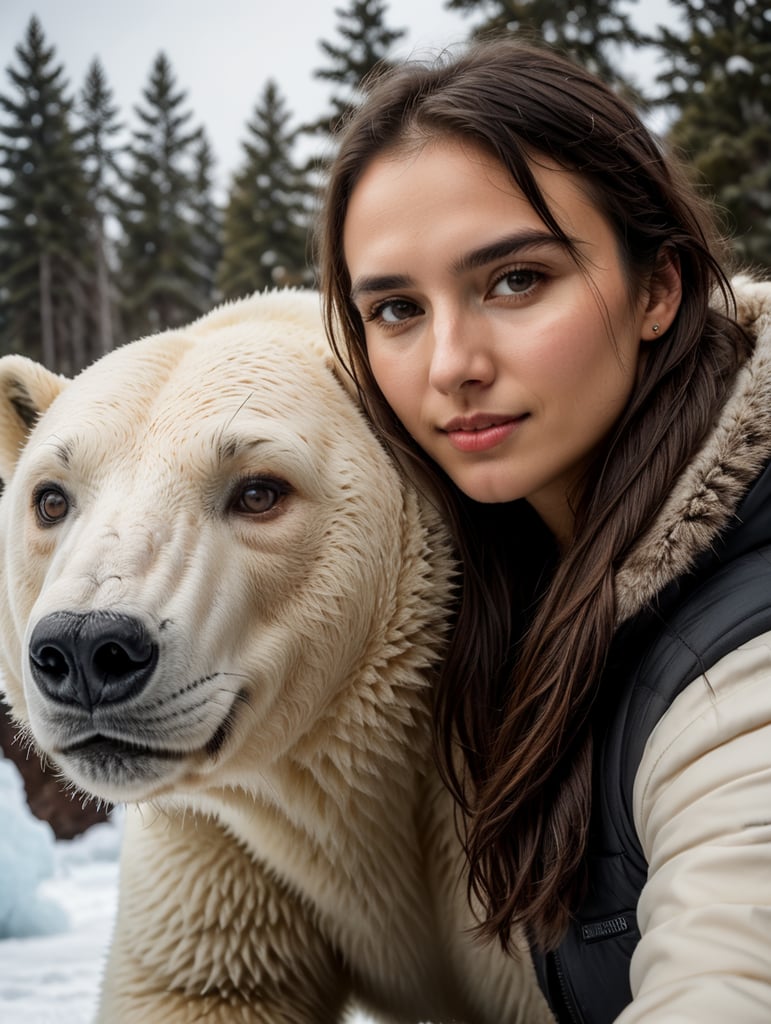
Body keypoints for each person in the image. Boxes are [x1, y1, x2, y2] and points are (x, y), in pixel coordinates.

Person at [314, 38, 771, 1024]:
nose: (451, 364)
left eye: (516, 280)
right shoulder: (536, 575)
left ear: (662, 288)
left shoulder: (737, 665)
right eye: (395, 308)